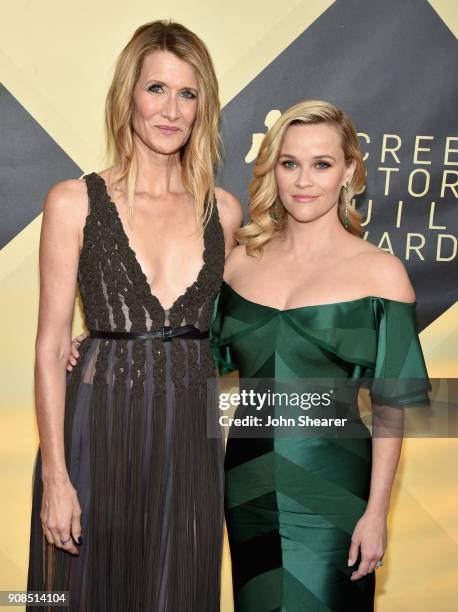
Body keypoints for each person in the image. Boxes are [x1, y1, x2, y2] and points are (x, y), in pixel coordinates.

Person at [27, 20, 242, 611]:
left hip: (189, 444)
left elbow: (255, 319)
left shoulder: (223, 212)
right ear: (128, 96)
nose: (171, 110)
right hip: (97, 431)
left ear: (203, 108)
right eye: (156, 89)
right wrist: (57, 479)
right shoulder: (73, 201)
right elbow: (49, 347)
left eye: (188, 93)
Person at [211, 100, 430, 611]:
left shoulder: (381, 274)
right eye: (289, 163)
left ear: (349, 170)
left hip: (334, 492)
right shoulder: (240, 263)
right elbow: (181, 344)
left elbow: (391, 408)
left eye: (322, 164)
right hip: (247, 488)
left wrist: (377, 513)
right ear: (274, 170)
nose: (303, 181)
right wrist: (93, 343)